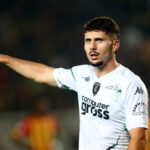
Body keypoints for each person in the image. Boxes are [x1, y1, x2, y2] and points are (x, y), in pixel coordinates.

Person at [0, 16, 148, 150]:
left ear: (115, 45)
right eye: (88, 40)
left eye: (99, 40)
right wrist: (6, 59)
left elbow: (139, 137)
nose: (92, 47)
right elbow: (42, 74)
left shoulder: (130, 84)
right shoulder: (81, 74)